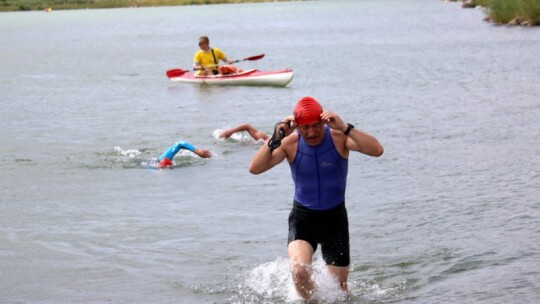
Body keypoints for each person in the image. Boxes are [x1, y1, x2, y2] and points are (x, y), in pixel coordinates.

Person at [248, 96, 384, 300]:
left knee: (340, 289)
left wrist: (346, 127)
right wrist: (275, 137)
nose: (311, 133)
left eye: (315, 126)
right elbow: (255, 169)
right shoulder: (288, 143)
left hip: (335, 219)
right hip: (304, 218)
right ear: (297, 126)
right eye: (305, 128)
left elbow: (377, 150)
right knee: (299, 272)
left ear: (323, 121)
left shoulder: (339, 138)